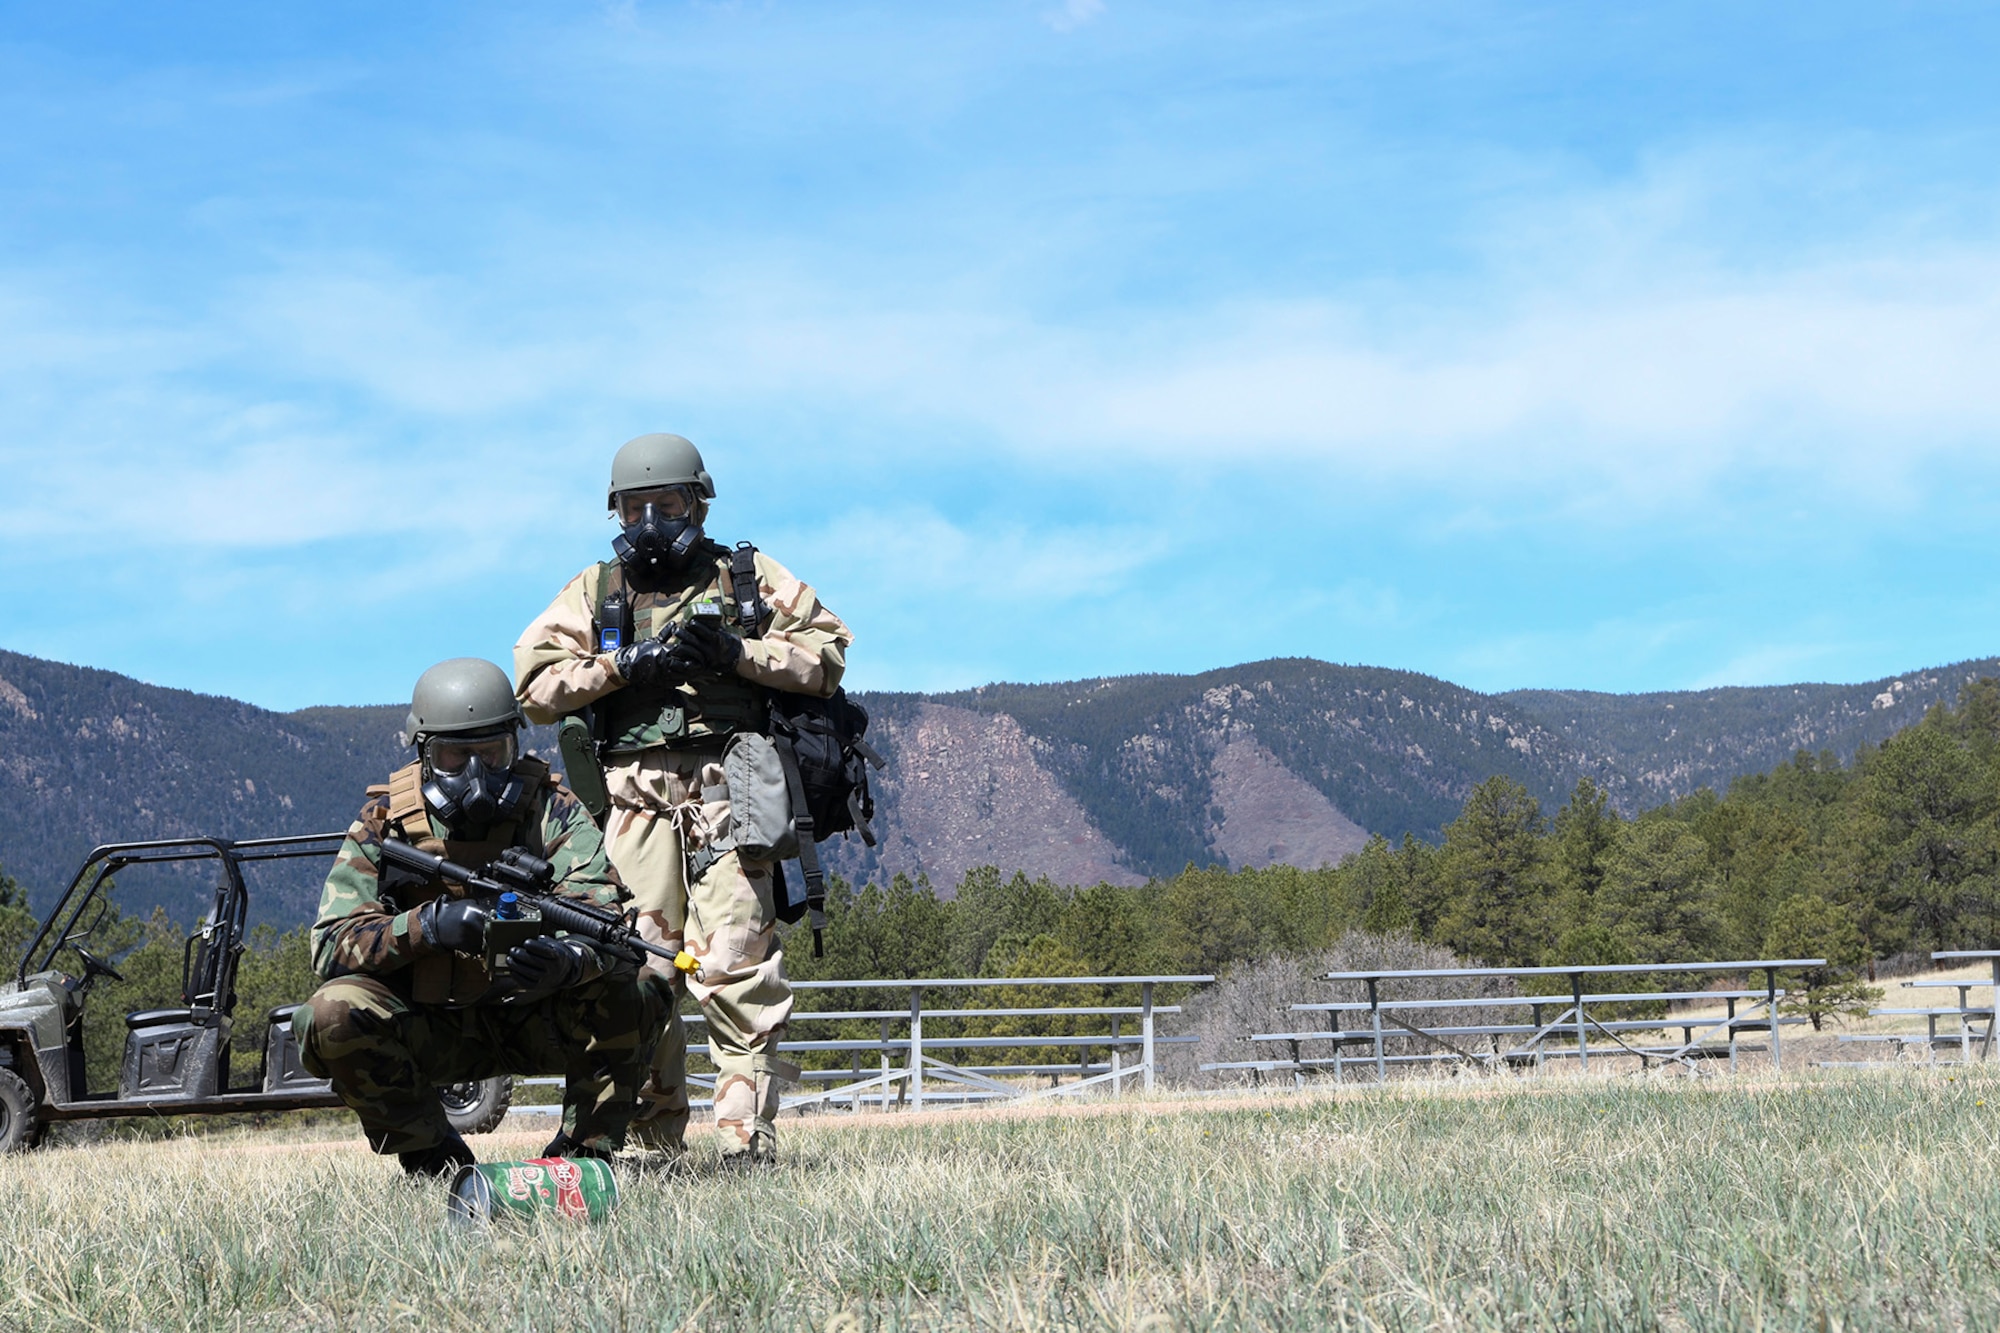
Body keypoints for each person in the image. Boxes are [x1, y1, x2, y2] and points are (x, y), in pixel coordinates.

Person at [514, 432, 851, 1164]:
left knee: (736, 964)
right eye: (632, 509)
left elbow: (826, 651)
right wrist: (621, 664)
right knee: (640, 966)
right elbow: (534, 681)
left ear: (696, 500)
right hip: (630, 807)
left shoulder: (745, 578)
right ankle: (649, 1145)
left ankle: (745, 1143)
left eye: (663, 504)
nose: (648, 523)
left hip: (727, 797)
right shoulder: (598, 590)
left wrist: (739, 654)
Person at [293, 657, 661, 1176]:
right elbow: (332, 945)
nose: (476, 774)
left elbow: (604, 917)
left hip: (535, 1013)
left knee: (642, 982)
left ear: (514, 743)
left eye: (492, 753)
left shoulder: (551, 807)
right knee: (330, 1011)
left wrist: (568, 961)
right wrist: (426, 927)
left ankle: (582, 1159)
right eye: (454, 756)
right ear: (424, 753)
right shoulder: (384, 823)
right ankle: (432, 1158)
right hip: (430, 1025)